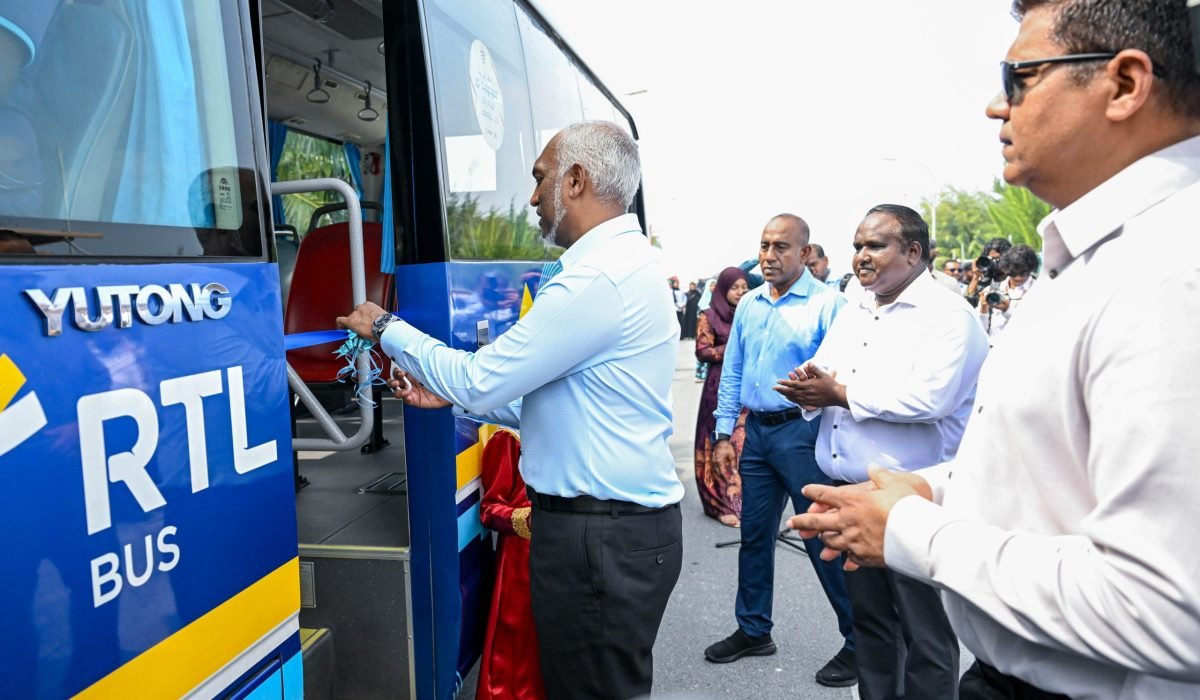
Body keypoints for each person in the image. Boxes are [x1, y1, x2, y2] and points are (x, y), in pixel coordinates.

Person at [790, 1, 1200, 697]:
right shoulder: (1098, 257)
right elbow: (1051, 463)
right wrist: (933, 487)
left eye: (1022, 77)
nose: (994, 106)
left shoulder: (1170, 271)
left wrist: (915, 530)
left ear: (1126, 84)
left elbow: (1169, 608)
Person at [340, 120, 684, 699]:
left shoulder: (597, 278)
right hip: (609, 532)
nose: (530, 198)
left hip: (599, 539)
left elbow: (481, 380)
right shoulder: (622, 265)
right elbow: (567, 409)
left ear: (576, 180)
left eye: (540, 178)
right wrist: (452, 394)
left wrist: (386, 327)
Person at [777, 204, 989, 699]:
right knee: (872, 626)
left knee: (925, 635)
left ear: (913, 252)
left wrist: (841, 394)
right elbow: (826, 369)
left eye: (875, 246)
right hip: (850, 493)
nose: (861, 258)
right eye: (857, 247)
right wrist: (810, 387)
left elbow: (929, 399)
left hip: (910, 497)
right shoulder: (856, 306)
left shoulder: (949, 316)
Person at [703, 214, 857, 689]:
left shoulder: (829, 305)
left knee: (821, 540)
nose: (769, 256)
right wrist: (724, 434)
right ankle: (753, 630)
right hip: (758, 435)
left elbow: (842, 376)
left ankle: (859, 641)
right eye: (764, 245)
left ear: (805, 253)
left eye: (781, 247)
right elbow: (733, 371)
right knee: (754, 535)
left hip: (804, 435)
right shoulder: (749, 304)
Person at [476, 429, 544, 700]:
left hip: (565, 551)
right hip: (521, 560)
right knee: (517, 652)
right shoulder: (507, 437)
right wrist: (528, 521)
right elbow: (490, 508)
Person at [693, 266, 751, 527]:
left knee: (741, 445)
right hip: (717, 388)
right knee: (715, 444)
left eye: (744, 287)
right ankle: (717, 502)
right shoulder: (709, 316)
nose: (740, 292)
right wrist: (734, 347)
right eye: (734, 287)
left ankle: (741, 502)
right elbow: (702, 351)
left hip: (746, 388)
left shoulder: (750, 314)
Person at [979, 243, 1038, 341]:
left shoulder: (1039, 290)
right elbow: (981, 331)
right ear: (1006, 269)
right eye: (1013, 273)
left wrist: (1007, 310)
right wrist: (983, 310)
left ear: (1031, 269)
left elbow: (1035, 326)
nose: (1018, 277)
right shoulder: (993, 289)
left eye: (1023, 273)